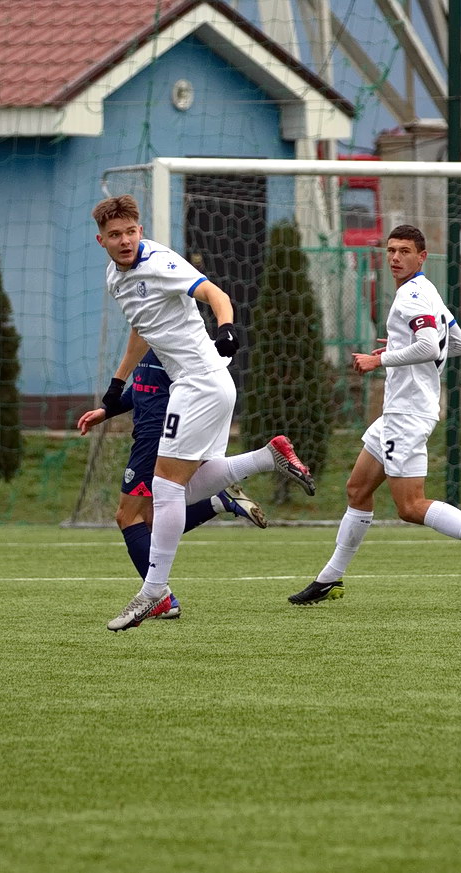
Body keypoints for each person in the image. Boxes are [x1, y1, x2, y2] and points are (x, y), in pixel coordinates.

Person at [91, 195, 316, 631]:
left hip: (200, 383)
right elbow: (143, 328)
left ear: (140, 230)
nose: (125, 241)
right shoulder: (115, 277)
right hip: (198, 385)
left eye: (131, 232)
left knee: (164, 487)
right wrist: (117, 387)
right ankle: (267, 457)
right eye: (115, 235)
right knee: (181, 484)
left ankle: (154, 593)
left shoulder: (159, 261)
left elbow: (215, 293)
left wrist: (227, 328)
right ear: (102, 241)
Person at [289, 224, 461, 606]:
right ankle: (330, 579)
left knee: (410, 506)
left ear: (422, 257)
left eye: (405, 251)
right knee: (358, 489)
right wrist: (397, 346)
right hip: (401, 411)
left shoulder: (410, 296)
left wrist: (380, 359)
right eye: (391, 250)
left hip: (407, 412)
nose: (395, 257)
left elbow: (428, 347)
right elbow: (457, 344)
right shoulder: (427, 290)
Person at [75, 348, 267, 621]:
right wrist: (106, 411)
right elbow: (141, 386)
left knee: (128, 517)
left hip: (157, 439)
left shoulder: (175, 345)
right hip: (151, 436)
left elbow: (194, 390)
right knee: (152, 519)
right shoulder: (154, 340)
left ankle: (161, 597)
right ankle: (218, 501)